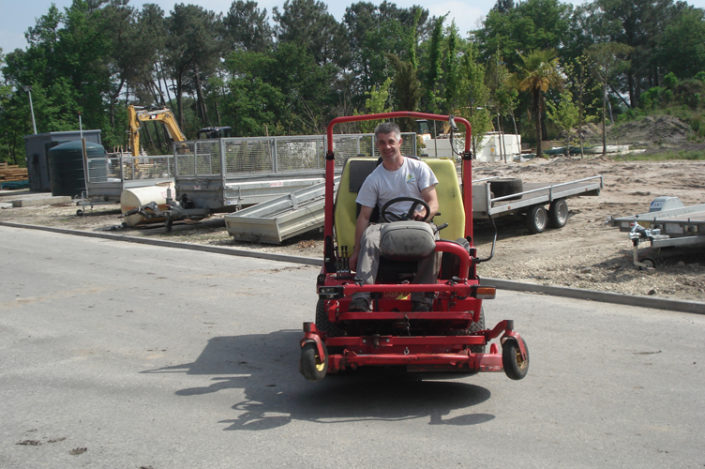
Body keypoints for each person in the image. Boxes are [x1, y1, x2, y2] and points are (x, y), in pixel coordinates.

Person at [348, 122, 440, 312]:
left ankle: (422, 298)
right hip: (387, 225)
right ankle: (362, 297)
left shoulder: (419, 169)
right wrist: (356, 251)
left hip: (417, 223)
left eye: (390, 141)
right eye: (382, 143)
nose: (387, 147)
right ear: (377, 146)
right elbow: (364, 217)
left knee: (435, 240)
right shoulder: (374, 178)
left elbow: (433, 203)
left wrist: (423, 214)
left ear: (400, 142)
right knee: (370, 236)